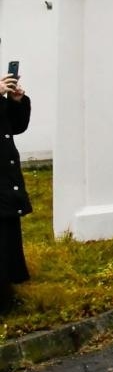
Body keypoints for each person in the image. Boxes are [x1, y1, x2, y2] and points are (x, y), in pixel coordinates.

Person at [1, 68, 32, 315]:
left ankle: (8, 291)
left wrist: (16, 102)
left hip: (4, 175)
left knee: (8, 227)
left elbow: (15, 126)